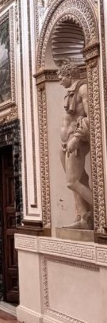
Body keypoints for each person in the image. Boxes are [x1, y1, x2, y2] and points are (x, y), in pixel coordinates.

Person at [58, 60, 92, 229]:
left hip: (75, 141)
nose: (59, 81)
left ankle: (101, 211)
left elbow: (91, 117)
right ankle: (84, 218)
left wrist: (76, 138)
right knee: (78, 181)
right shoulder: (70, 92)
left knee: (72, 182)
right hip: (65, 143)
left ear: (69, 74)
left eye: (61, 77)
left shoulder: (83, 89)